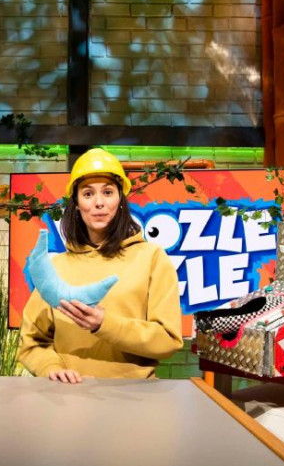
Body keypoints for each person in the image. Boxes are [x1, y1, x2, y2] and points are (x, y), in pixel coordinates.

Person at [18, 148, 183, 383]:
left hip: (135, 395)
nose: (99, 203)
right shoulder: (56, 267)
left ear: (120, 200)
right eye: (88, 194)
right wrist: (50, 366)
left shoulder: (151, 258)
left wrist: (104, 324)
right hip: (69, 396)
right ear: (76, 203)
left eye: (108, 192)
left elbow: (167, 339)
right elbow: (32, 342)